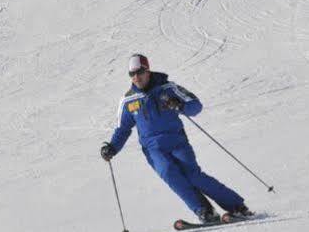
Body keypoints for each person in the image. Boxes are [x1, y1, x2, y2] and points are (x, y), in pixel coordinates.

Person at [100, 54, 252, 223]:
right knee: (169, 174)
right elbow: (123, 128)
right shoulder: (128, 100)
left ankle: (237, 206)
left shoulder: (168, 88)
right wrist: (112, 147)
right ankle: (204, 211)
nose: (136, 77)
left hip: (177, 142)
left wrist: (180, 105)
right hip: (152, 148)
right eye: (132, 74)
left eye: (140, 72)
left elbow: (196, 106)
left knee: (193, 176)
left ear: (148, 71)